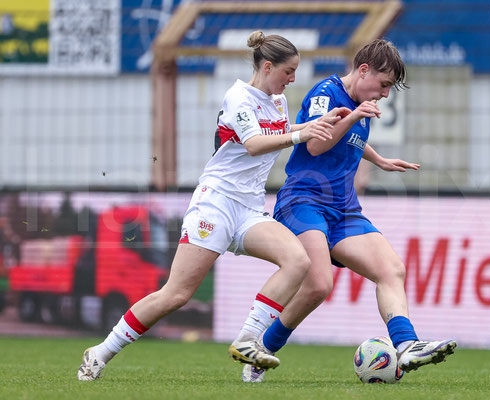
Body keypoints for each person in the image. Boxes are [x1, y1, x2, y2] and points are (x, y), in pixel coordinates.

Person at [77, 31, 348, 381]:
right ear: (267, 67)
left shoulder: (278, 101)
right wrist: (301, 134)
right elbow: (253, 144)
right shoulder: (238, 97)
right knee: (176, 294)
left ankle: (248, 340)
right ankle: (100, 352)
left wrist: (315, 125)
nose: (293, 79)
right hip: (216, 203)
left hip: (249, 209)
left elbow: (279, 131)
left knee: (298, 261)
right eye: (289, 71)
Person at [241, 39, 456, 383]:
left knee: (392, 270)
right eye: (384, 84)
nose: (385, 94)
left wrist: (379, 159)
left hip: (343, 208)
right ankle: (262, 350)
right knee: (318, 285)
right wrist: (354, 115)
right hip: (305, 200)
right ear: (364, 70)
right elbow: (315, 144)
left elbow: (350, 137)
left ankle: (407, 345)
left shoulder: (360, 102)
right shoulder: (326, 93)